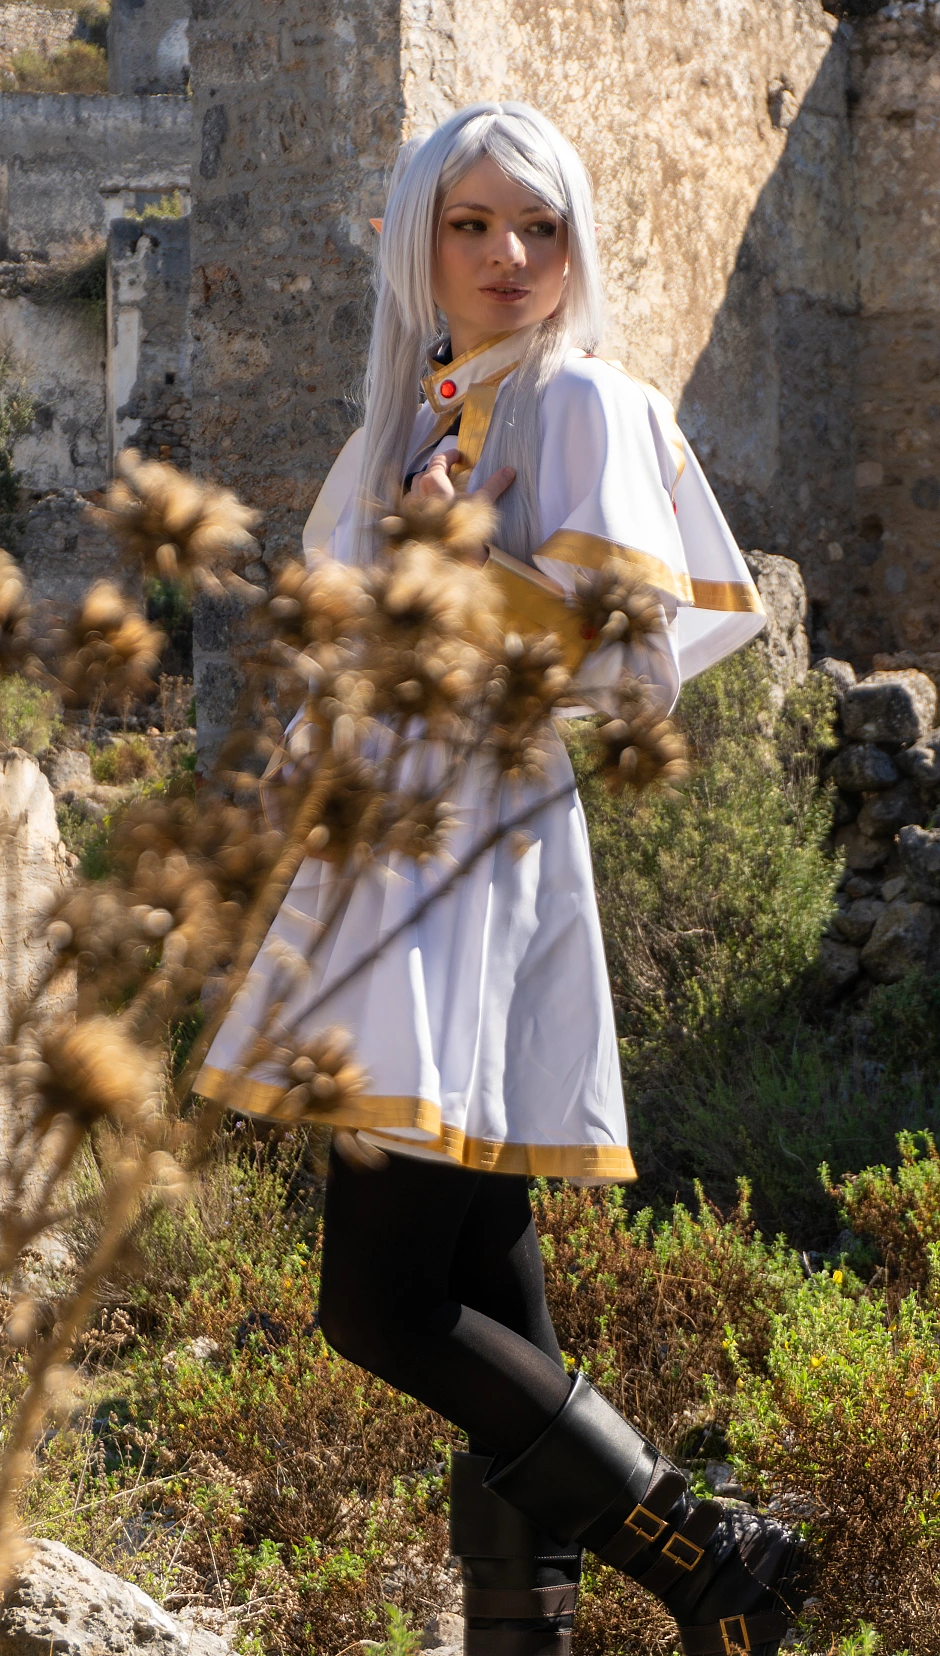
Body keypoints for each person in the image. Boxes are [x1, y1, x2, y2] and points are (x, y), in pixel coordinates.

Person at [195, 104, 802, 1656]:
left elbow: (637, 680)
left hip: (469, 864)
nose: (511, 257)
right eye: (472, 225)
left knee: (377, 1308)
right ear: (421, 242)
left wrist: (457, 571)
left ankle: (707, 1552)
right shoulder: (403, 424)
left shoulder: (580, 399)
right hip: (389, 855)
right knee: (483, 1285)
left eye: (538, 226)